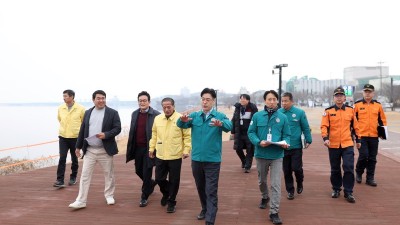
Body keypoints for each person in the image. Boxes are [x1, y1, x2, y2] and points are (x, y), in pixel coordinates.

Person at [177, 88, 232, 225]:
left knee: (211, 190)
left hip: (212, 160)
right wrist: (182, 119)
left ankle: (210, 219)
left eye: (208, 99)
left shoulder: (219, 116)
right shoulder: (195, 116)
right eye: (203, 99)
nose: (205, 102)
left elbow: (229, 126)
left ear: (213, 101)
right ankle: (205, 208)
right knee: (201, 187)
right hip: (196, 159)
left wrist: (221, 124)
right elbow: (181, 124)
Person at [68, 90, 121, 209]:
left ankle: (109, 195)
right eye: (98, 98)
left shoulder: (113, 113)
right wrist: (78, 146)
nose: (101, 100)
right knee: (85, 176)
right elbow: (82, 131)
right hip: (90, 150)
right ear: (93, 100)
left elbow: (117, 129)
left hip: (105, 150)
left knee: (109, 174)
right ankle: (81, 200)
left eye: (103, 98)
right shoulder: (87, 113)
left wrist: (106, 134)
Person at [248, 90, 290, 225]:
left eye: (274, 99)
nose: (272, 102)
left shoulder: (283, 117)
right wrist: (258, 142)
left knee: (276, 184)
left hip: (277, 155)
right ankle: (265, 197)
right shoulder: (257, 116)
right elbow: (251, 132)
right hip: (261, 154)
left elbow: (287, 135)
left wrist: (285, 143)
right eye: (269, 99)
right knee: (262, 181)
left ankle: (274, 212)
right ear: (265, 101)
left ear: (277, 101)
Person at [148, 97, 191, 213]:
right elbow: (154, 135)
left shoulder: (181, 119)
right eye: (164, 107)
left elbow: (187, 136)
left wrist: (186, 150)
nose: (166, 109)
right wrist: (151, 148)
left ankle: (172, 201)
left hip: (175, 155)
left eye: (169, 107)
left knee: (174, 180)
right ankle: (166, 193)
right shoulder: (157, 119)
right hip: (160, 154)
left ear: (173, 106)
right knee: (159, 179)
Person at [320, 87, 360, 203]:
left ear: (344, 98)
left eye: (341, 96)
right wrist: (325, 138)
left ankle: (348, 191)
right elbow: (324, 126)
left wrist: (359, 140)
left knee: (348, 167)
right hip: (333, 144)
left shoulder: (350, 110)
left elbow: (356, 126)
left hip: (347, 143)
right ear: (333, 98)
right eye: (337, 96)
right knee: (335, 168)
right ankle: (336, 189)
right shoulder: (328, 111)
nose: (339, 98)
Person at [126, 91, 160, 207]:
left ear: (149, 102)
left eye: (144, 100)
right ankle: (150, 183)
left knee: (146, 172)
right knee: (138, 170)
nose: (142, 102)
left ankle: (144, 196)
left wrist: (155, 148)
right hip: (137, 148)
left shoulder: (156, 114)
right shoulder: (134, 114)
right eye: (140, 101)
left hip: (149, 148)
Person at [278, 92, 312, 200]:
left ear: (292, 101)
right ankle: (290, 190)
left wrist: (308, 139)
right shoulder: (278, 113)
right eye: (282, 101)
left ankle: (300, 182)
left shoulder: (299, 113)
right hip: (283, 146)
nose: (284, 103)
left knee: (296, 168)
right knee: (286, 170)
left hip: (296, 146)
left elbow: (305, 127)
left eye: (286, 101)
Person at [353, 84, 387, 187]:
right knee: (364, 155)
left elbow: (382, 120)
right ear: (363, 93)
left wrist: (382, 133)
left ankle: (370, 178)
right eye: (366, 91)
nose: (367, 93)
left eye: (369, 92)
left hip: (374, 136)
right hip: (361, 136)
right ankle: (359, 172)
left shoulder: (378, 105)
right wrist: (354, 134)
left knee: (372, 158)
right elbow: (353, 121)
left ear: (373, 93)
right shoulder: (357, 105)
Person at [53, 89, 85, 188]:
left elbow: (84, 122)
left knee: (74, 158)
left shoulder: (80, 108)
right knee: (62, 158)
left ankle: (73, 177)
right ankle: (60, 180)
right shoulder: (61, 108)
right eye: (63, 96)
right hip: (63, 137)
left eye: (66, 96)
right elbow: (59, 119)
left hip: (75, 137)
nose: (64, 98)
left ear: (72, 97)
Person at [230, 94, 258, 173]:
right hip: (239, 132)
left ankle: (247, 167)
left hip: (249, 132)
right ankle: (244, 161)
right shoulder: (237, 108)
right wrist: (232, 132)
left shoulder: (253, 108)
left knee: (250, 150)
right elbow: (234, 120)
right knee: (238, 148)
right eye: (241, 99)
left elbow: (256, 120)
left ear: (248, 100)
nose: (242, 100)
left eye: (244, 99)